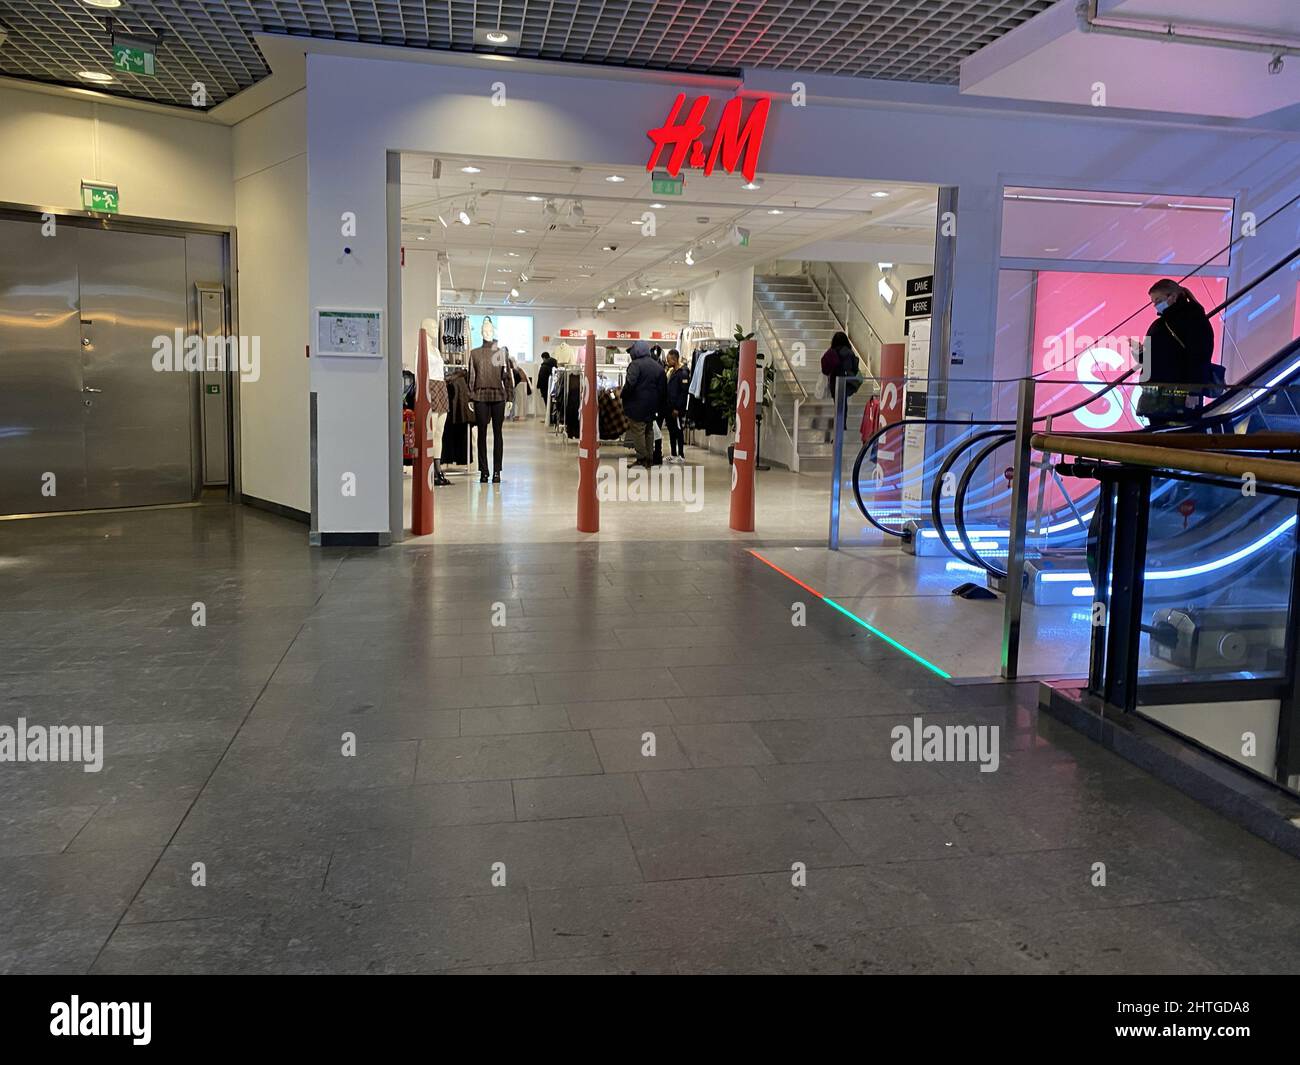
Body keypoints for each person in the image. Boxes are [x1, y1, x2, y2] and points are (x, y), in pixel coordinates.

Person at [1136, 279, 1216, 427]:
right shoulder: (1162, 323)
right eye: (1153, 302)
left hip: (1178, 395)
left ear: (1172, 296)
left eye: (1158, 300)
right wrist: (1141, 353)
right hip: (1158, 397)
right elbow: (1155, 357)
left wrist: (1193, 391)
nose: (1155, 306)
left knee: (1174, 435)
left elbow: (1199, 357)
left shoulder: (1192, 319)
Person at [468, 338, 514, 483]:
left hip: (498, 395)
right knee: (481, 433)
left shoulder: (501, 353)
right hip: (480, 395)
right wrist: (470, 396)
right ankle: (484, 471)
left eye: (489, 329)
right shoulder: (474, 353)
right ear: (481, 332)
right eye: (484, 329)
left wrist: (510, 397)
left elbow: (506, 376)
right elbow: (471, 376)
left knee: (497, 433)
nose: (487, 332)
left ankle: (496, 472)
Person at [621, 339, 667, 468]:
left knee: (638, 431)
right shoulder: (658, 366)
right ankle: (650, 459)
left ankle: (641, 458)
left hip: (637, 406)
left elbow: (630, 384)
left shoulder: (635, 365)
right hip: (652, 406)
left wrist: (623, 395)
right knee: (649, 430)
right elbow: (662, 389)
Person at [664, 348, 689, 464]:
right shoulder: (672, 372)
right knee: (671, 431)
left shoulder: (683, 373)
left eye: (669, 360)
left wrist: (677, 409)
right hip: (669, 408)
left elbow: (683, 394)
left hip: (676, 409)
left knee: (678, 431)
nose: (667, 362)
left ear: (674, 359)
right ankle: (673, 454)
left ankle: (681, 455)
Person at [820, 331, 861, 400]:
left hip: (833, 382)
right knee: (843, 405)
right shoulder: (848, 352)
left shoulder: (830, 352)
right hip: (845, 381)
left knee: (838, 404)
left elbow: (825, 369)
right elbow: (851, 368)